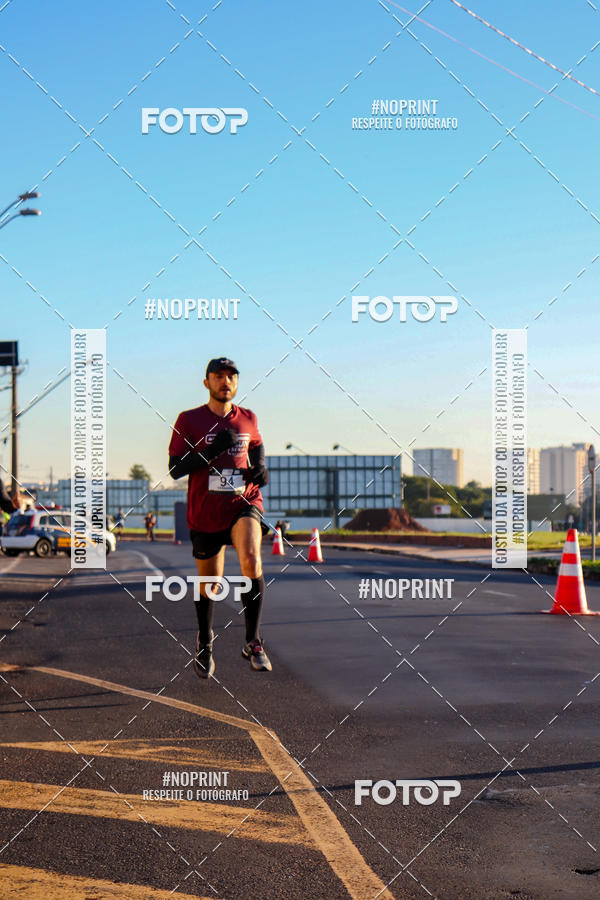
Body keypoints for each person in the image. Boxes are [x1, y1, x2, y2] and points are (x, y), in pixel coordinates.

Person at [168, 357, 271, 678]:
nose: (225, 381)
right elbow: (175, 469)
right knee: (210, 583)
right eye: (218, 376)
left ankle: (253, 641)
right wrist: (211, 452)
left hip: (243, 502)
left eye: (231, 376)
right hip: (206, 512)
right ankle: (204, 641)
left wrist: (261, 468)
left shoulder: (248, 417)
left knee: (251, 558)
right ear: (207, 382)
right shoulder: (189, 420)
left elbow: (256, 446)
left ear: (237, 383)